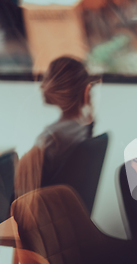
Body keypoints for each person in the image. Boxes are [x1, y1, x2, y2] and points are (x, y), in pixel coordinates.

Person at [15, 56, 95, 196]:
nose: (41, 86)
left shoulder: (53, 137)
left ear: (62, 87)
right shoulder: (83, 128)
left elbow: (22, 188)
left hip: (38, 209)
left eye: (46, 79)